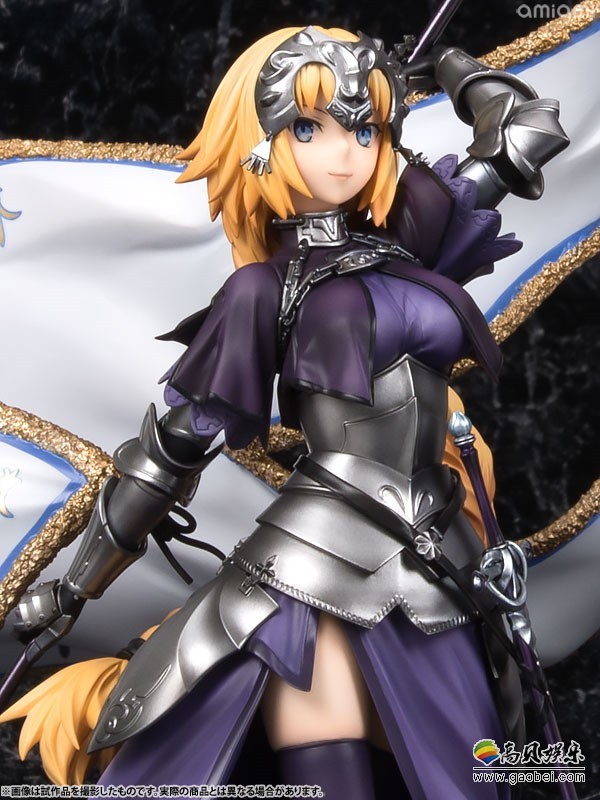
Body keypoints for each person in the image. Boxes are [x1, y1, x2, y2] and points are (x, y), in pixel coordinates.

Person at [1, 25, 568, 799]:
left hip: (440, 551)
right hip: (314, 556)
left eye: (365, 129)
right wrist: (74, 589)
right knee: (323, 704)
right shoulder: (264, 290)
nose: (344, 152)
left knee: (469, 769)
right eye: (309, 128)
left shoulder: (414, 238)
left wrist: (444, 67)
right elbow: (175, 448)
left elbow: (529, 127)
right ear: (260, 147)